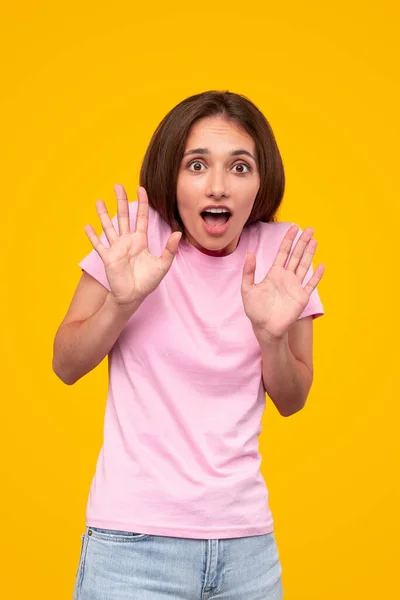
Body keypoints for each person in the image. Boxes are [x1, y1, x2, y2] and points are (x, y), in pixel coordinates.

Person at [53, 90, 325, 600]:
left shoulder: (282, 252)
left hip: (246, 550)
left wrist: (270, 338)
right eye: (196, 164)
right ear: (170, 176)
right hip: (133, 546)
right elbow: (65, 364)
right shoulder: (136, 239)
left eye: (239, 167)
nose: (218, 187)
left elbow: (293, 398)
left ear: (261, 181)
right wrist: (121, 302)